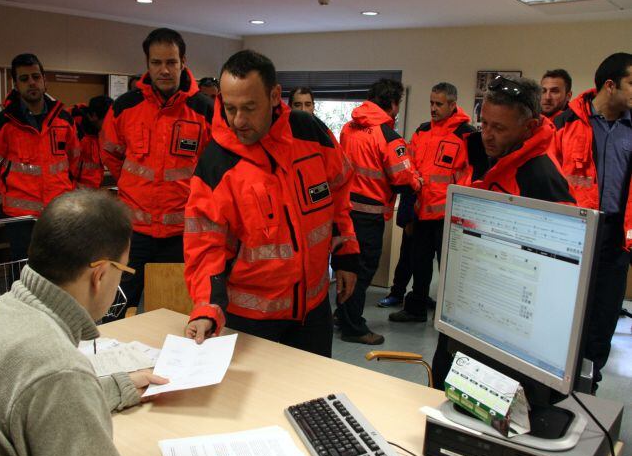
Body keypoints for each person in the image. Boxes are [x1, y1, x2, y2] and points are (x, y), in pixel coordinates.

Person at [0, 189, 260, 456]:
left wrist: (118, 387)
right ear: (99, 275)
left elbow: (30, 402)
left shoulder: (2, 311)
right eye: (124, 271)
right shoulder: (56, 369)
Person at [183, 50, 359, 358]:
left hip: (313, 311)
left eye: (249, 108)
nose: (238, 121)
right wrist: (206, 307)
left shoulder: (311, 133)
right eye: (230, 108)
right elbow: (205, 247)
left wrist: (345, 253)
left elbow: (339, 192)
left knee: (313, 399)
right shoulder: (216, 164)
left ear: (275, 95)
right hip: (250, 321)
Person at [430, 75, 574, 388]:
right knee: (443, 380)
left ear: (529, 127)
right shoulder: (487, 154)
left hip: (507, 316)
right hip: (469, 298)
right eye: (485, 125)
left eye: (499, 128)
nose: (488, 136)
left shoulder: (541, 176)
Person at [101, 28, 213, 316]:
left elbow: (214, 168)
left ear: (183, 61)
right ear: (147, 64)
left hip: (181, 235)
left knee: (176, 315)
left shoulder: (204, 110)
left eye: (171, 62)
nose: (164, 70)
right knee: (115, 310)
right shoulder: (126, 106)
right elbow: (111, 154)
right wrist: (131, 185)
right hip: (134, 233)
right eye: (156, 63)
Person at [553, 53, 632, 390]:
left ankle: (589, 384)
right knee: (564, 316)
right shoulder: (564, 124)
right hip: (573, 234)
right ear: (610, 85)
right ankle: (553, 382)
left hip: (617, 237)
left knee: (603, 319)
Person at [335, 79, 421, 345]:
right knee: (362, 272)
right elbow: (402, 179)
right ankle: (354, 328)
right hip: (368, 217)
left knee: (345, 267)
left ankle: (343, 315)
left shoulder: (348, 128)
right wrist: (419, 180)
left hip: (344, 213)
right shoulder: (389, 136)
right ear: (394, 104)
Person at [0, 53, 80, 261]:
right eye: (24, 79)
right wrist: (7, 189)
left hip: (58, 212)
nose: (32, 83)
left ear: (44, 80)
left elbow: (74, 160)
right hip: (20, 217)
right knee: (23, 272)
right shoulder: (0, 124)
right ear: (15, 85)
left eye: (36, 77)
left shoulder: (63, 119)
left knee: (60, 267)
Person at [390, 82, 474, 323]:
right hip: (422, 213)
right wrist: (408, 214)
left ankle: (453, 316)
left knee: (450, 269)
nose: (433, 108)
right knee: (420, 264)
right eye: (431, 103)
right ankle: (416, 308)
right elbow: (410, 170)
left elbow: (469, 177)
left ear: (452, 104)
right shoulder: (422, 131)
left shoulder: (466, 135)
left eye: (439, 104)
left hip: (449, 217)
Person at [75, 95, 113, 189]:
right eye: (107, 121)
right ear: (93, 116)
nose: (110, 125)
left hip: (93, 192)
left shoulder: (101, 134)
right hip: (74, 193)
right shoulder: (75, 132)